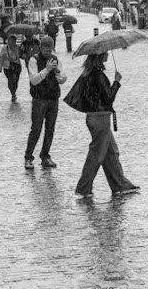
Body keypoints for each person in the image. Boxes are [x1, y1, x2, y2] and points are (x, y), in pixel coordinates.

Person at [69, 51, 138, 199]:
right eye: (105, 52)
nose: (107, 53)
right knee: (96, 156)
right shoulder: (97, 75)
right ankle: (83, 188)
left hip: (94, 117)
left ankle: (120, 184)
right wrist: (117, 81)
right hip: (100, 119)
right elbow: (108, 98)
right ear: (99, 56)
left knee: (111, 152)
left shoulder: (89, 73)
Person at [24, 39, 63, 168]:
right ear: (40, 48)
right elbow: (34, 80)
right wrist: (46, 70)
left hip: (53, 98)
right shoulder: (33, 60)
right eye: (45, 49)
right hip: (39, 99)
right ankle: (28, 157)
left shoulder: (55, 60)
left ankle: (45, 156)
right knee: (36, 128)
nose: (48, 52)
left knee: (50, 129)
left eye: (50, 49)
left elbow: (63, 79)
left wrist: (57, 72)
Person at [0, 31, 23, 102]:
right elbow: (1, 57)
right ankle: (13, 94)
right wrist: (0, 66)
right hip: (7, 67)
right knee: (11, 80)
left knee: (15, 81)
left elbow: (21, 55)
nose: (12, 42)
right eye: (10, 41)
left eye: (13, 41)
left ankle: (14, 91)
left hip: (17, 66)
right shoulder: (4, 48)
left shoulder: (18, 47)